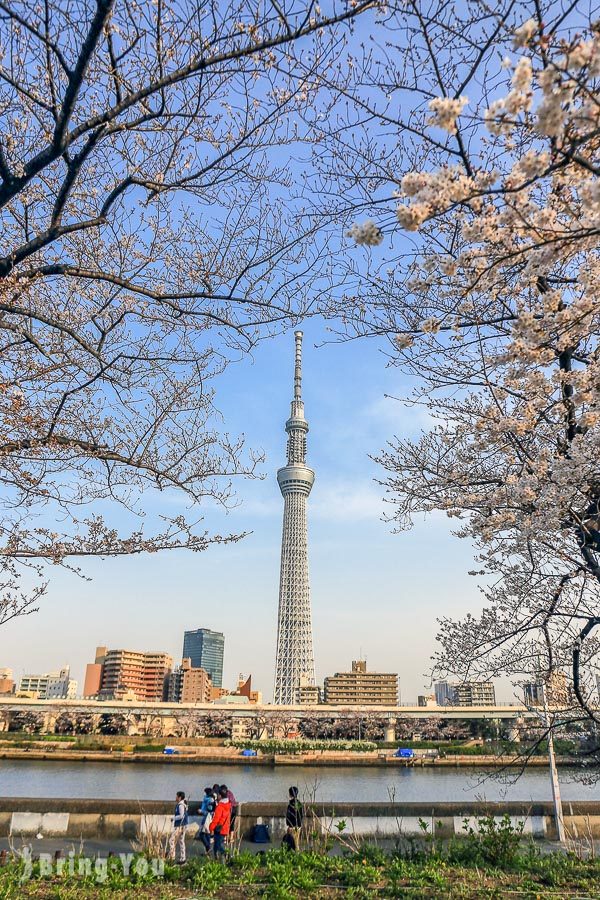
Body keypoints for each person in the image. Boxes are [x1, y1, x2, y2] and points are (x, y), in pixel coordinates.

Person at [209, 785, 231, 860]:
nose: (217, 796)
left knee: (218, 845)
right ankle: (216, 858)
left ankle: (226, 855)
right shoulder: (228, 805)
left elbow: (216, 819)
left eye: (218, 795)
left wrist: (211, 827)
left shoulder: (220, 806)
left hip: (219, 828)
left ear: (220, 796)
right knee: (216, 844)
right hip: (225, 828)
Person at [168, 790, 188, 864]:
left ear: (179, 797)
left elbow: (181, 816)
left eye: (176, 796)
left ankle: (172, 857)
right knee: (181, 841)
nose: (175, 797)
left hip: (180, 826)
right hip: (183, 826)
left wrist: (173, 818)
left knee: (171, 840)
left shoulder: (180, 805)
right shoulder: (183, 804)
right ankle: (183, 858)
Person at [196, 787, 216, 855]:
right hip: (210, 818)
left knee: (202, 834)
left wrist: (202, 811)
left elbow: (210, 811)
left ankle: (208, 847)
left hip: (207, 818)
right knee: (207, 834)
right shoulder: (211, 799)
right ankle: (208, 851)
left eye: (204, 792)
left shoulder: (210, 800)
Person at [285, 786, 303, 850]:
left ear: (290, 794)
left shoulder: (291, 805)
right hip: (298, 825)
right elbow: (301, 815)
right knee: (296, 842)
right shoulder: (299, 803)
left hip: (292, 826)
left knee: (291, 843)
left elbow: (289, 816)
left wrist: (289, 826)